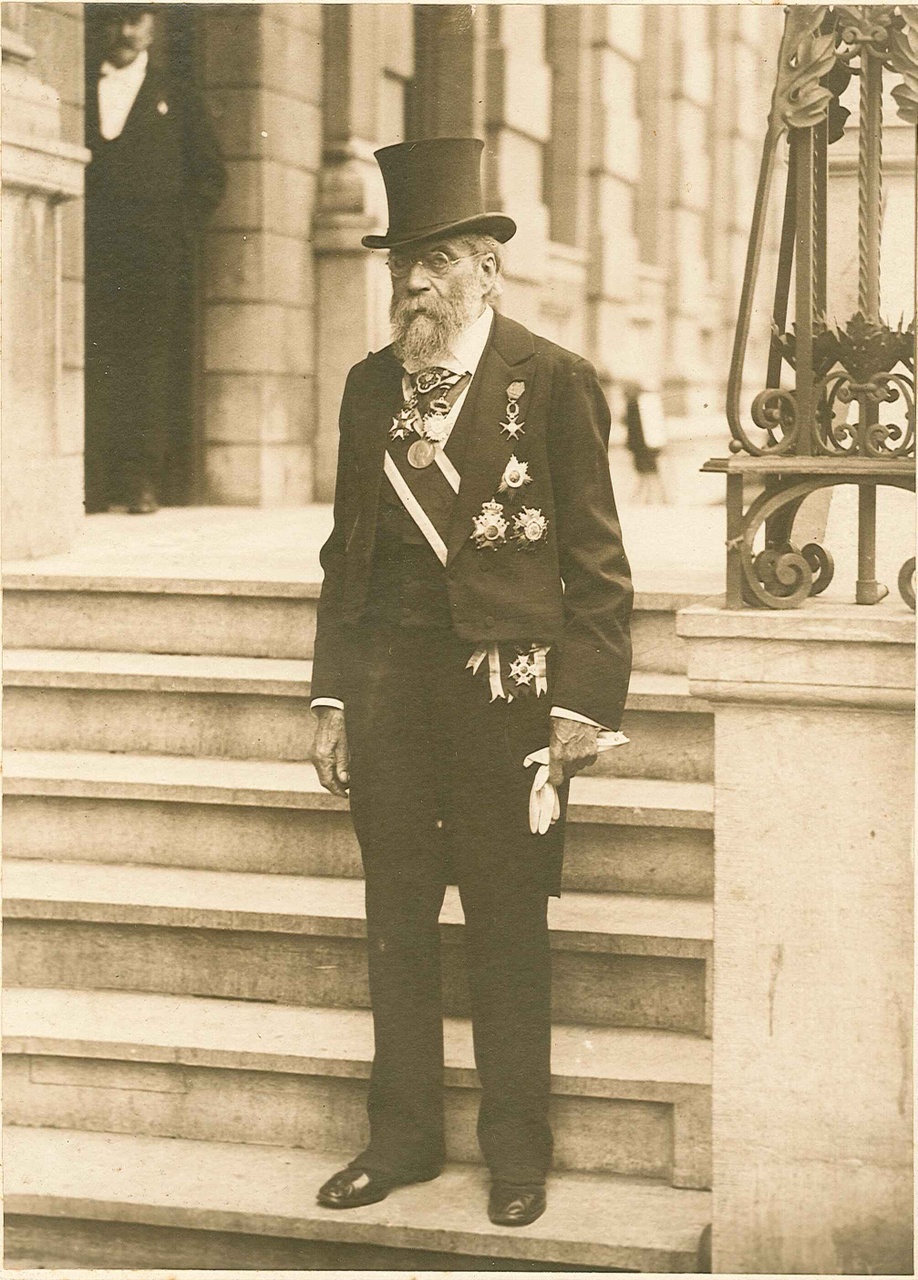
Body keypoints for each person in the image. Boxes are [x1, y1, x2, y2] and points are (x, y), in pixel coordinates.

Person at [310, 137, 633, 1228]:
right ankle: (399, 1138)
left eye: (438, 257)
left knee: (507, 922)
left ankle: (517, 1150)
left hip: (508, 700)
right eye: (403, 260)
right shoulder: (369, 388)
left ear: (490, 267)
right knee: (396, 918)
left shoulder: (555, 381)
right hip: (395, 697)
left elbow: (597, 565)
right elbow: (346, 551)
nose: (414, 281)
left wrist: (586, 703)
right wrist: (332, 695)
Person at [84, 4, 226, 514]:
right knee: (94, 359)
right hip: (90, 257)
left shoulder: (178, 96)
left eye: (135, 17)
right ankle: (94, 483)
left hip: (153, 260)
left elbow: (211, 176)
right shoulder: (80, 90)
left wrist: (175, 231)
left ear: (152, 25)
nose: (123, 30)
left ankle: (141, 481)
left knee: (146, 366)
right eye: (113, 18)